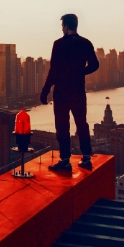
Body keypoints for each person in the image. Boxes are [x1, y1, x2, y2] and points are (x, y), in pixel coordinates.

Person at [40, 14, 99, 171]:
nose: (62, 29)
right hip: (78, 91)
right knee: (81, 124)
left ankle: (65, 161)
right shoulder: (86, 43)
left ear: (66, 26)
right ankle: (86, 158)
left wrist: (45, 90)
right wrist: (80, 72)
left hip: (62, 92)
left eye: (62, 26)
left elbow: (53, 70)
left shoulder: (59, 44)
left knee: (62, 126)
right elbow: (95, 65)